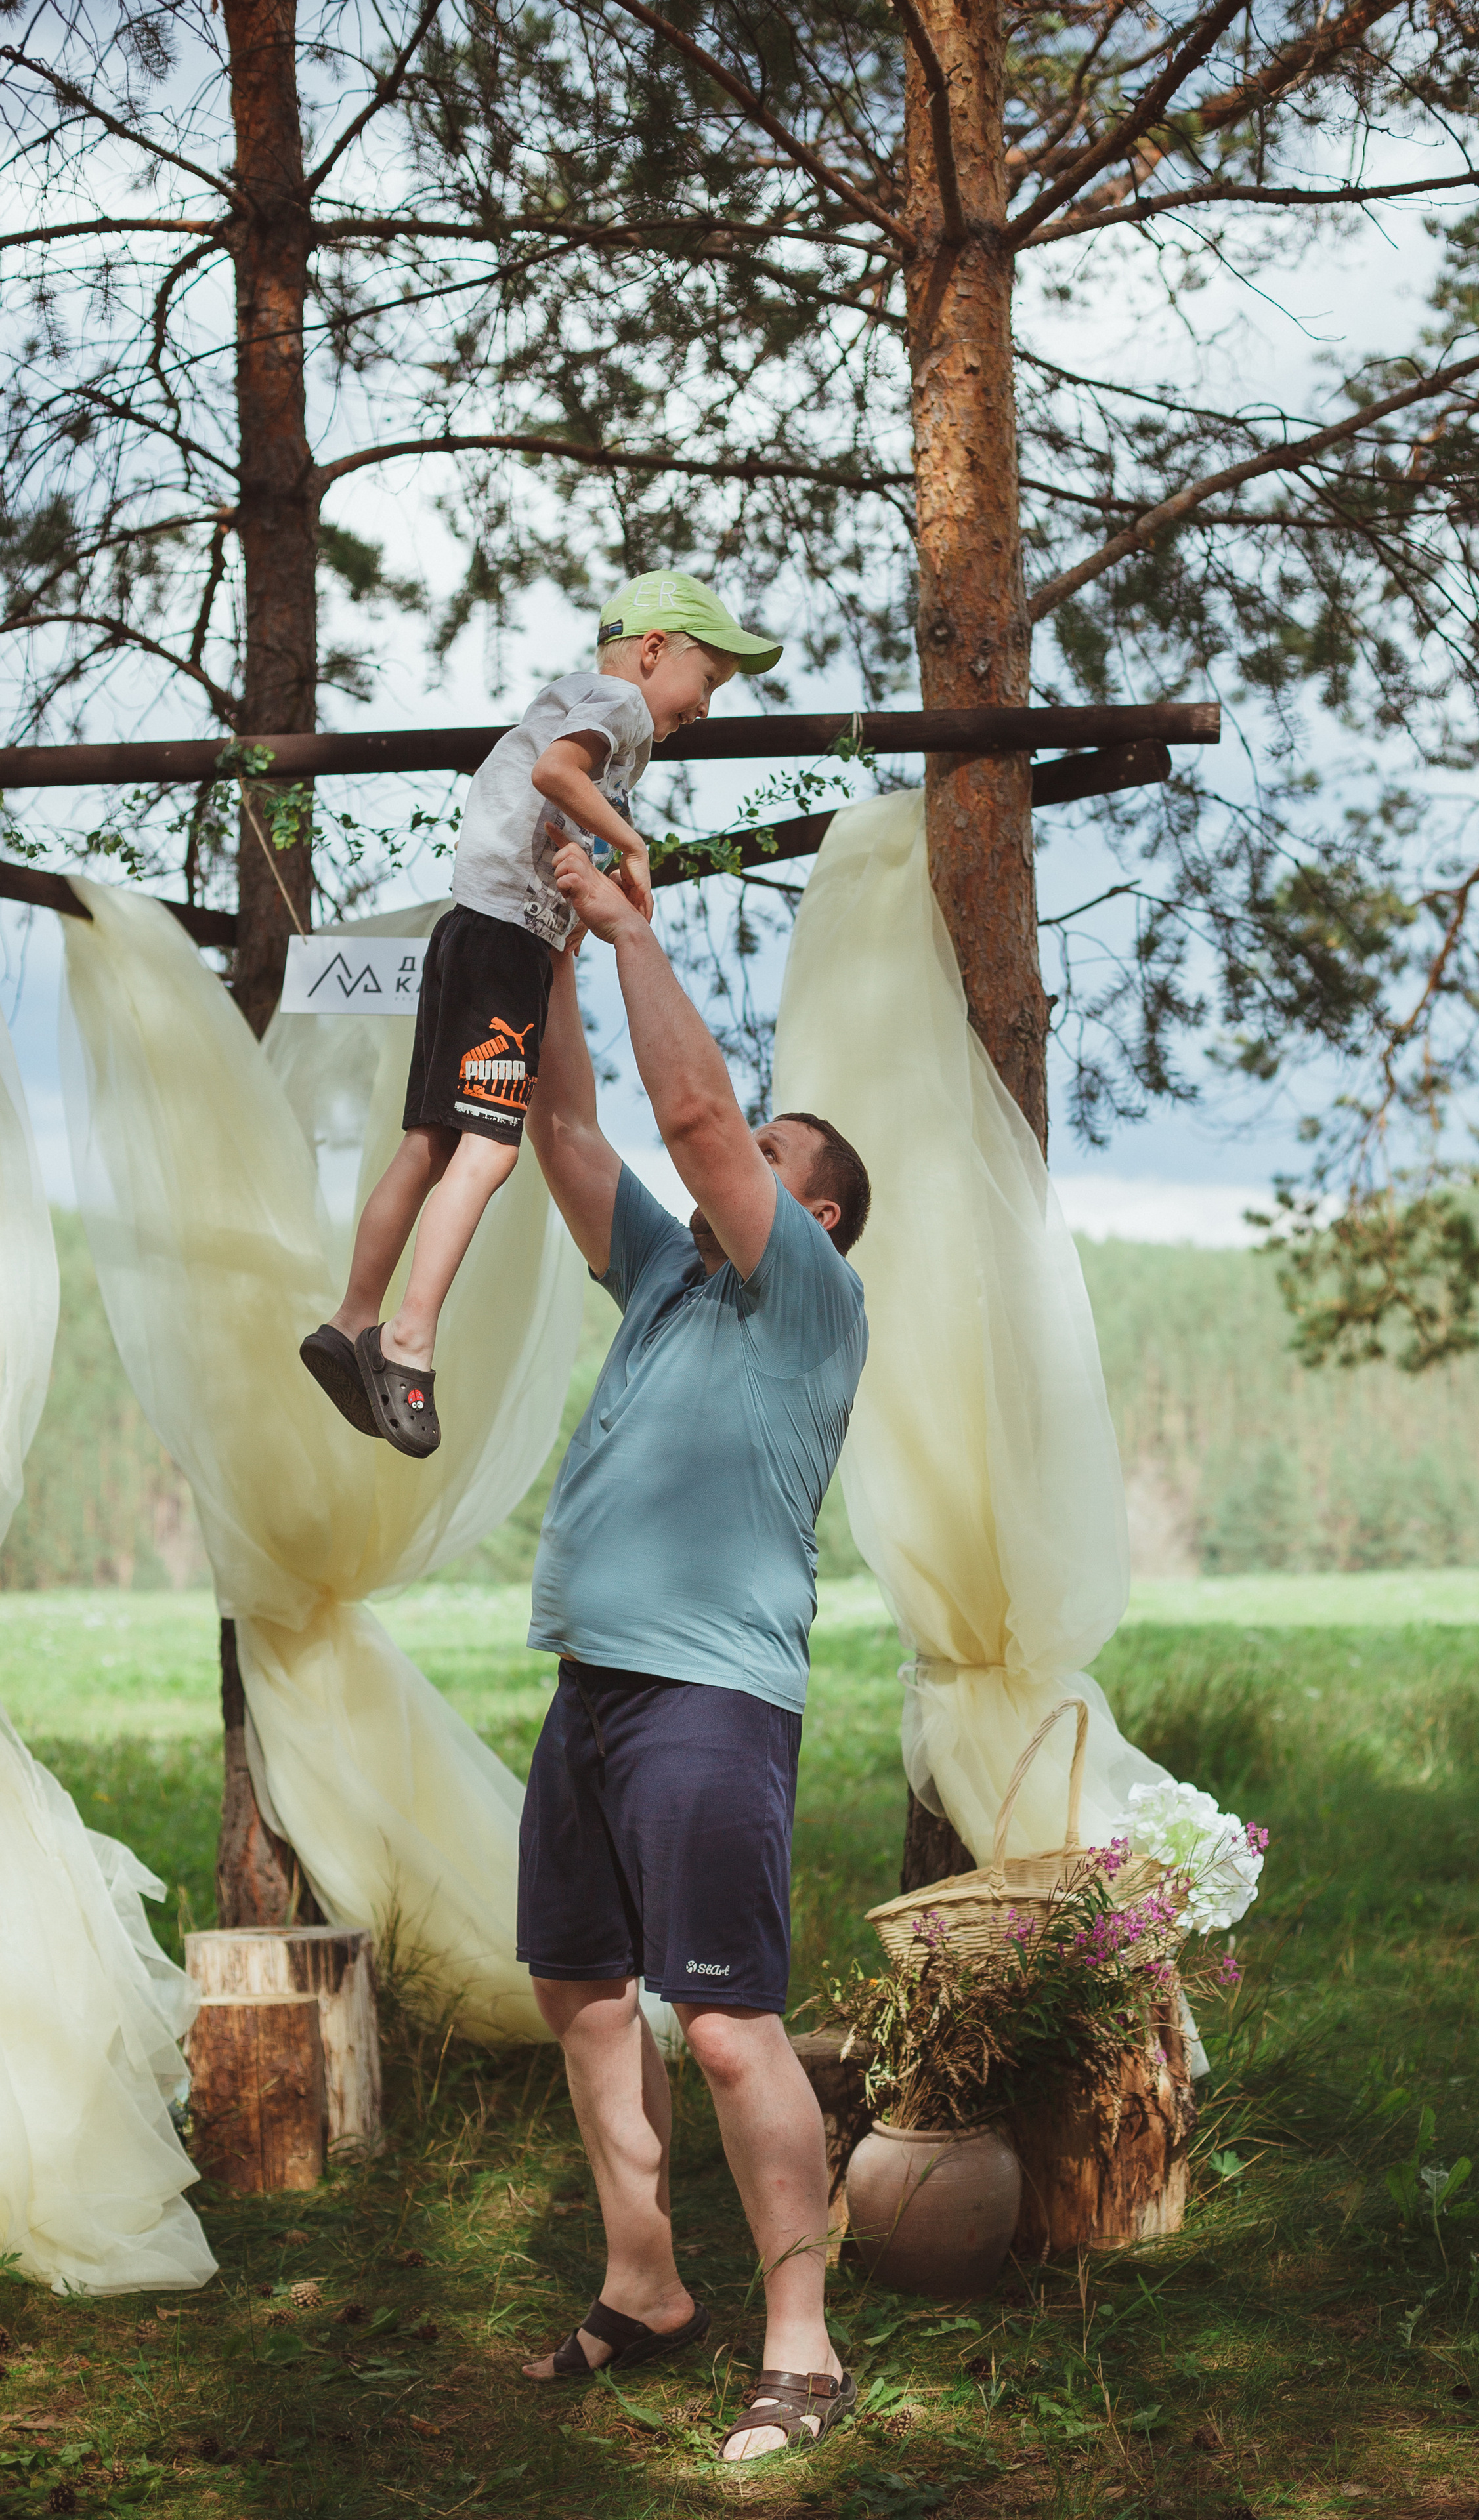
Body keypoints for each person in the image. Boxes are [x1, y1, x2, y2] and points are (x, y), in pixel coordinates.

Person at [514, 834, 870, 2464]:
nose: (731, 1152)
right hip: (593, 1685)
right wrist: (546, 952)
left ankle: (801, 2346)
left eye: (764, 1149)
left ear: (811, 1209)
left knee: (726, 2027)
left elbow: (688, 1118)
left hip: (713, 1697)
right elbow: (569, 1126)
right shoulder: (662, 1276)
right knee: (583, 1996)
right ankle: (645, 2284)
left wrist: (631, 926)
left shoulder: (803, 1293)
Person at [298, 570, 781, 1460]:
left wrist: (600, 890)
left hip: (471, 931)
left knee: (430, 1143)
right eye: (708, 680)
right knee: (489, 1150)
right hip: (503, 945)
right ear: (653, 651)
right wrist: (636, 845)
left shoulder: (586, 712)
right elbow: (560, 774)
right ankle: (407, 1339)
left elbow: (557, 808)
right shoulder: (620, 708)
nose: (706, 707)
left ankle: (350, 1317)